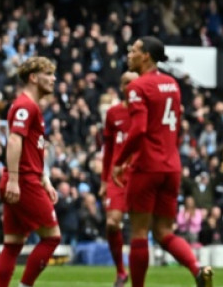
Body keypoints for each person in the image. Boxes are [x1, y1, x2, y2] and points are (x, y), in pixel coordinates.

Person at [113, 37, 214, 287]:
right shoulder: (172, 84)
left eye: (134, 50)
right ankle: (197, 269)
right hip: (171, 166)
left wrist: (119, 160)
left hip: (147, 166)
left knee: (139, 232)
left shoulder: (137, 87)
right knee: (164, 232)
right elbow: (176, 124)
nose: (130, 53)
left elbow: (137, 130)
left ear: (146, 55)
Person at [0, 57, 61, 287]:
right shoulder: (26, 105)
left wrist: (45, 179)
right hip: (23, 181)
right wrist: (15, 180)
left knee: (12, 244)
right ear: (33, 77)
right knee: (52, 237)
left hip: (24, 178)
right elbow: (14, 141)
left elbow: (33, 150)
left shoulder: (28, 105)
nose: (54, 79)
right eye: (49, 74)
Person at [100, 71, 138, 287]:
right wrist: (104, 180)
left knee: (137, 227)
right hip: (116, 176)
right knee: (112, 224)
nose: (128, 87)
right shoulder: (113, 113)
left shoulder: (145, 112)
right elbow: (108, 149)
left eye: (132, 83)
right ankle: (121, 272)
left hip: (138, 174)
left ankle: (136, 273)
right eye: (124, 83)